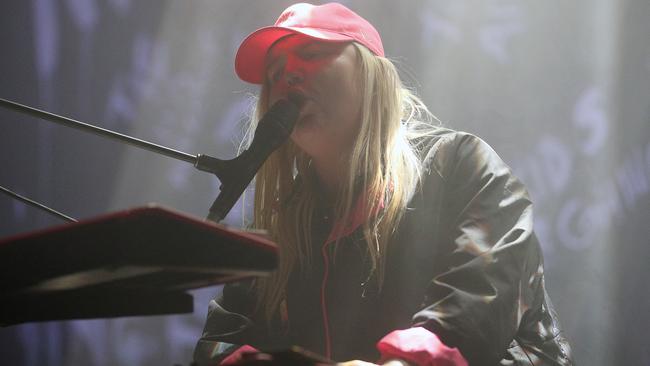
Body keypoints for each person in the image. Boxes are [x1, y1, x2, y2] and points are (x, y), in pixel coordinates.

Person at [194, 3, 573, 365]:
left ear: (369, 72)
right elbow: (224, 339)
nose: (287, 75)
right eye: (275, 72)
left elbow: (480, 296)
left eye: (310, 53)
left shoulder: (458, 163)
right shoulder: (283, 225)